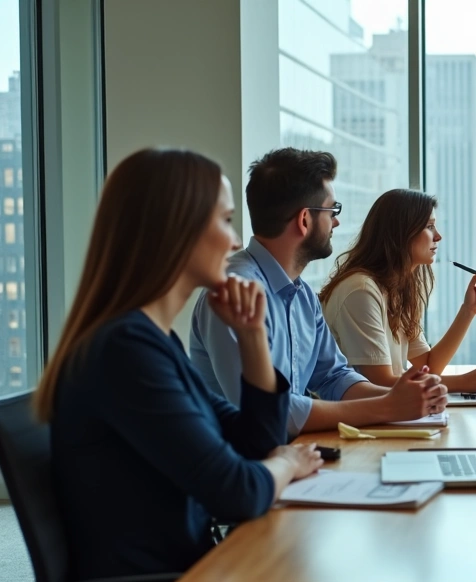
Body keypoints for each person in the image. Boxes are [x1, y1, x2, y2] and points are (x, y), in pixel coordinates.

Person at [37, 148, 451, 582]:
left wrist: (255, 341)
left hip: (202, 576)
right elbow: (238, 489)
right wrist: (291, 463)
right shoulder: (126, 352)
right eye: (226, 220)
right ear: (177, 230)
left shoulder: (152, 341)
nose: (236, 239)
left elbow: (252, 439)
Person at [190, 148, 447, 439]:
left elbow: (334, 377)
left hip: (291, 456)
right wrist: (387, 406)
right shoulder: (235, 292)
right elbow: (270, 414)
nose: (336, 222)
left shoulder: (302, 296)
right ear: (304, 220)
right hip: (244, 467)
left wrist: (404, 397)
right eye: (332, 211)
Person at [318, 188, 476, 392]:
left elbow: (430, 365)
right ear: (401, 232)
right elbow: (379, 382)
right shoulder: (361, 291)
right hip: (355, 421)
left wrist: (468, 311)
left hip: (383, 414)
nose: (438, 236)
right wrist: (463, 382)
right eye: (429, 227)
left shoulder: (397, 289)